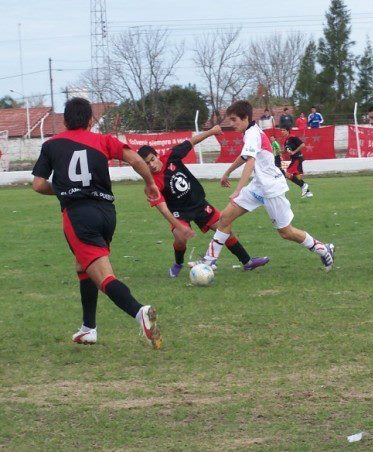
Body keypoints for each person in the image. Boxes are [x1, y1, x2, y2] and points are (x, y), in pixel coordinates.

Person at [32, 97, 162, 349]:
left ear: (64, 121)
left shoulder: (51, 145)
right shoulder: (103, 140)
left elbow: (38, 184)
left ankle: (139, 312)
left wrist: (62, 190)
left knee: (102, 275)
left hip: (78, 215)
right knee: (84, 267)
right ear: (91, 120)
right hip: (106, 213)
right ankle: (88, 329)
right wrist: (150, 183)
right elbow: (136, 160)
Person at [197, 100, 334, 273]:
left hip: (271, 188)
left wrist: (238, 189)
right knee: (224, 219)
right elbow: (245, 156)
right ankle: (209, 261)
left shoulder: (252, 134)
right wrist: (227, 172)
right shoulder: (249, 132)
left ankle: (322, 248)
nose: (231, 124)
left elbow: (250, 161)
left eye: (233, 120)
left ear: (245, 117)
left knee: (286, 232)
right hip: (257, 186)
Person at [137, 125, 269, 277]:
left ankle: (247, 262)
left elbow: (192, 141)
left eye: (152, 159)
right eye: (146, 163)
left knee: (225, 228)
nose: (151, 165)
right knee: (180, 238)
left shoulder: (171, 156)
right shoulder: (151, 184)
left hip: (199, 204)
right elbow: (162, 208)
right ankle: (178, 263)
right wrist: (178, 225)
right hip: (179, 213)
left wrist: (211, 132)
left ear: (157, 155)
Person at [280, 126, 313, 199]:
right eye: (281, 130)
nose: (282, 131)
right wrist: (278, 151)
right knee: (297, 176)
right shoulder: (286, 141)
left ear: (288, 131)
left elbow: (302, 145)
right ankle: (308, 192)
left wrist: (294, 151)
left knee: (287, 174)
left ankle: (304, 185)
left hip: (297, 159)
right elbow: (286, 151)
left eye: (283, 130)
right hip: (294, 159)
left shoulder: (293, 137)